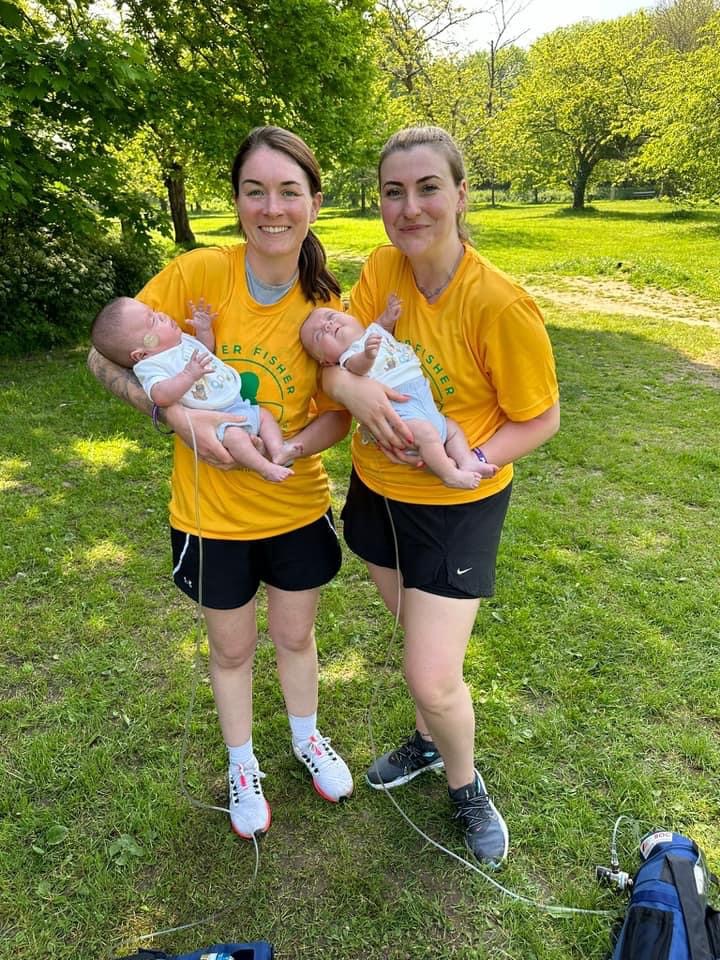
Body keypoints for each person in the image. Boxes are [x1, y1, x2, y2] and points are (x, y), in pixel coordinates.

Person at [87, 126, 355, 839]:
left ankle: (306, 738)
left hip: (295, 506)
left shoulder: (326, 304)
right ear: (237, 201)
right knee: (232, 649)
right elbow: (102, 358)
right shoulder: (196, 273)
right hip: (210, 518)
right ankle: (243, 765)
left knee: (297, 638)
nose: (272, 208)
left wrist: (287, 446)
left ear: (314, 202)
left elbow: (337, 417)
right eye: (254, 190)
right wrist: (169, 412)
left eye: (288, 191)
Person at [322, 126, 560, 867]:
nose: (410, 206)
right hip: (376, 492)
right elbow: (337, 367)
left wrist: (474, 460)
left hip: (458, 504)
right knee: (415, 636)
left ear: (460, 194)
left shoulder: (498, 304)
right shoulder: (381, 271)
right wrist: (356, 396)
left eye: (428, 188)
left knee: (430, 672)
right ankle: (427, 740)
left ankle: (465, 784)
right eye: (394, 191)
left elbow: (541, 417)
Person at [90, 296, 301, 482]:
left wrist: (204, 330)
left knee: (264, 416)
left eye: (155, 312)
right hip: (218, 419)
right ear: (140, 354)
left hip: (237, 404)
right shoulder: (152, 366)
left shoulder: (180, 341)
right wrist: (187, 375)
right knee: (236, 438)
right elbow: (160, 395)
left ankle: (278, 451)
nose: (162, 315)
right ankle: (265, 468)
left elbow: (206, 350)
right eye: (153, 320)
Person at [300, 296, 498, 489]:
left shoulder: (372, 331)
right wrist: (368, 355)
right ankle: (449, 474)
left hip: (422, 403)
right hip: (402, 415)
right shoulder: (348, 358)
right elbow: (359, 367)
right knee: (427, 435)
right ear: (326, 361)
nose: (327, 326)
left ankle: (467, 461)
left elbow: (382, 327)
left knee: (451, 427)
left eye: (330, 317)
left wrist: (389, 316)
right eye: (318, 336)